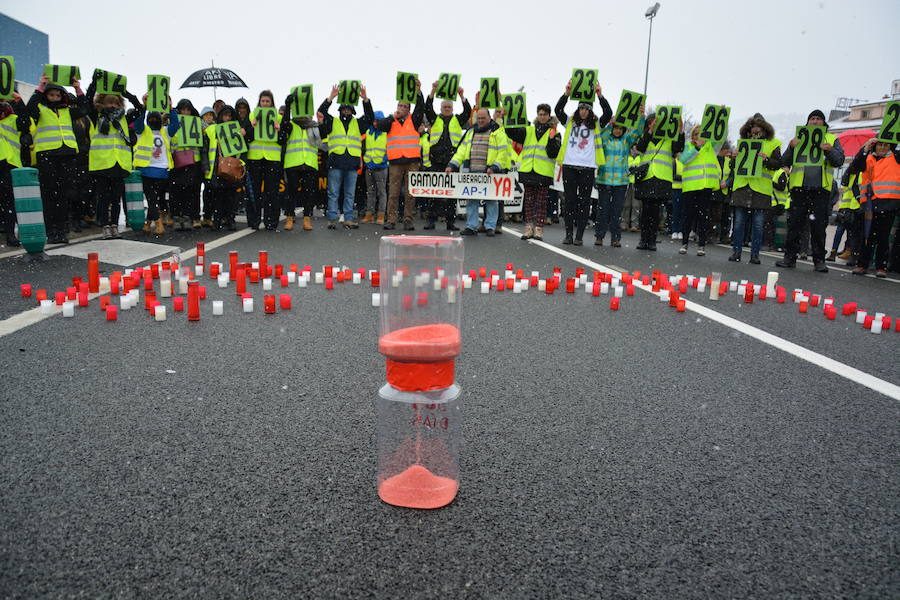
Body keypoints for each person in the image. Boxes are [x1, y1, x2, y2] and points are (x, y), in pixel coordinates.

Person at [776, 109, 845, 272]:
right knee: (794, 225)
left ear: (824, 123)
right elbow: (784, 162)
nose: (815, 122)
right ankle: (789, 257)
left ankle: (819, 260)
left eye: (818, 119)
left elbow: (839, 161)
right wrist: (791, 147)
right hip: (799, 188)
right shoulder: (798, 139)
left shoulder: (831, 139)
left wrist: (829, 150)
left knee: (818, 227)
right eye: (812, 119)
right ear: (807, 123)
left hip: (821, 190)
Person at [26, 73, 90, 244]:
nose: (55, 98)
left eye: (58, 95)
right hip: (47, 156)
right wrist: (40, 87)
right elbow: (30, 108)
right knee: (49, 195)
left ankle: (61, 230)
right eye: (51, 95)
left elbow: (85, 108)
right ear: (46, 96)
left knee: (63, 194)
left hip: (67, 155)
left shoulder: (67, 111)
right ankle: (51, 231)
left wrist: (77, 89)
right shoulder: (40, 109)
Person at [554, 80, 612, 245]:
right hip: (570, 166)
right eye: (581, 108)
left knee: (584, 202)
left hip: (587, 168)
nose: (583, 111)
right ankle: (568, 234)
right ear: (578, 109)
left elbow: (608, 112)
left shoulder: (597, 125)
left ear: (590, 110)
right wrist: (566, 93)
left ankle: (579, 236)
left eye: (586, 109)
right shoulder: (570, 122)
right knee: (569, 201)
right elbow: (558, 110)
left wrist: (600, 95)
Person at [85, 76, 140, 239]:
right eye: (109, 102)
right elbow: (88, 100)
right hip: (102, 163)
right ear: (102, 103)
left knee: (115, 198)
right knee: (103, 198)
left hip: (119, 163)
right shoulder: (97, 116)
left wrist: (128, 94)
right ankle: (104, 226)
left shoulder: (124, 118)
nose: (112, 105)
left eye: (116, 102)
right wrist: (94, 84)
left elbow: (140, 109)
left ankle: (114, 225)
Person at [724, 114, 782, 264]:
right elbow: (733, 167)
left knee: (757, 225)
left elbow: (777, 164)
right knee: (738, 223)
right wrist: (734, 157)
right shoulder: (742, 144)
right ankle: (736, 251)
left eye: (758, 128)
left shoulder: (773, 144)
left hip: (760, 189)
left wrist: (766, 160)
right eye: (752, 129)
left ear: (764, 129)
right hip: (742, 187)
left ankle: (754, 254)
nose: (755, 131)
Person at [318, 84, 374, 229]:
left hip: (352, 164)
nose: (346, 111)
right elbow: (321, 112)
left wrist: (365, 99)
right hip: (336, 162)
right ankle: (332, 219)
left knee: (349, 194)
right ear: (340, 110)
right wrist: (331, 97)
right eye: (344, 108)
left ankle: (348, 219)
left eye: (348, 109)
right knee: (333, 193)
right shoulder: (333, 121)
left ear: (352, 111)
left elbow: (370, 117)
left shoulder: (358, 123)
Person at [445, 108, 509, 236]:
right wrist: (452, 165)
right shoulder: (471, 132)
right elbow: (462, 151)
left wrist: (494, 167)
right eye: (478, 118)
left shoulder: (497, 132)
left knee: (491, 200)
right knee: (472, 200)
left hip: (489, 172)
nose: (480, 121)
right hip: (472, 172)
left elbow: (503, 152)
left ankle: (490, 226)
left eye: (482, 118)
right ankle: (471, 226)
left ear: (489, 117)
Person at [375, 81, 426, 230]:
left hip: (412, 161)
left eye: (405, 106)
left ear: (409, 110)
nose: (402, 108)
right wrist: (393, 116)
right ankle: (391, 219)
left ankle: (408, 219)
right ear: (397, 107)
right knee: (393, 192)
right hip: (396, 161)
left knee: (410, 193)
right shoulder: (391, 120)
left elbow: (420, 108)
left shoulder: (414, 120)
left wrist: (418, 91)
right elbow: (380, 126)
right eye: (400, 106)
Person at [506, 104, 561, 241]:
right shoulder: (529, 130)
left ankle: (539, 230)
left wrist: (552, 139)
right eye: (540, 114)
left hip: (543, 172)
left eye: (544, 115)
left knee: (541, 202)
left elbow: (553, 153)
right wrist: (507, 119)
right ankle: (529, 228)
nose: (542, 117)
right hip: (528, 170)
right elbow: (512, 133)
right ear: (537, 115)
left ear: (549, 116)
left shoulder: (555, 133)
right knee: (529, 201)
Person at [633, 112, 685, 250]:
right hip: (647, 177)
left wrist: (680, 131)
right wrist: (650, 131)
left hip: (661, 178)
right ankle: (643, 239)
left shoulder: (669, 139)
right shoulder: (645, 136)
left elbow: (678, 148)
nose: (654, 125)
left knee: (655, 211)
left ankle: (652, 240)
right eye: (651, 123)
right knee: (645, 210)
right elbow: (640, 148)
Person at [849, 138, 900, 277]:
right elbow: (855, 166)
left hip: (888, 203)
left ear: (891, 146)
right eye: (879, 145)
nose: (882, 148)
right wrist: (865, 148)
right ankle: (862, 265)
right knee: (867, 236)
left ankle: (881, 267)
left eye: (885, 145)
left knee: (883, 237)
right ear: (874, 146)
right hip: (870, 203)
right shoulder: (868, 157)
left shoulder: (896, 157)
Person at [424, 82, 470, 230]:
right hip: (436, 161)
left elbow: (468, 112)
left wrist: (461, 96)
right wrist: (433, 91)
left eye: (449, 107)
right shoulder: (434, 119)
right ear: (441, 108)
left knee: (452, 193)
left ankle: (450, 222)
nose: (447, 109)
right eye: (444, 107)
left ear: (452, 108)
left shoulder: (458, 119)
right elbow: (427, 108)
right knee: (434, 192)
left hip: (452, 161)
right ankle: (431, 220)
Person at [594, 110, 644, 247]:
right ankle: (599, 236)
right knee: (603, 210)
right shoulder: (605, 140)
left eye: (619, 128)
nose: (617, 131)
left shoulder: (626, 141)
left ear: (623, 130)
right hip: (604, 180)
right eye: (615, 128)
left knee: (616, 211)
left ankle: (615, 238)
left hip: (621, 182)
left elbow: (638, 132)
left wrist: (641, 116)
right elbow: (600, 136)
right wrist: (610, 124)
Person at [133, 95, 179, 233]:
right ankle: (149, 225)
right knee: (153, 199)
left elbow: (175, 124)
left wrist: (171, 108)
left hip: (160, 171)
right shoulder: (143, 131)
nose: (154, 120)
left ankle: (158, 225)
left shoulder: (165, 132)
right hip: (148, 170)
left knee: (153, 200)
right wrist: (145, 106)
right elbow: (139, 122)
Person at [278, 92, 322, 231]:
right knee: (291, 192)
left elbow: (322, 139)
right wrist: (288, 105)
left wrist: (322, 120)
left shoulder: (314, 126)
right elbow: (284, 125)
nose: (302, 115)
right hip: (293, 164)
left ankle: (307, 219)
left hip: (309, 164)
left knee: (308, 193)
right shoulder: (291, 125)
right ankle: (289, 218)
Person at [677, 127, 721, 256]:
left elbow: (721, 135)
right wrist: (697, 148)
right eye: (696, 134)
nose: (698, 137)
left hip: (705, 187)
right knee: (688, 216)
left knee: (703, 217)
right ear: (693, 136)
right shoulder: (688, 146)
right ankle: (684, 243)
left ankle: (701, 245)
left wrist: (719, 119)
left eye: (701, 135)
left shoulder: (710, 147)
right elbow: (684, 159)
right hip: (690, 187)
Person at [202, 105, 248, 230]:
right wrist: (205, 166)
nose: (227, 118)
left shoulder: (237, 130)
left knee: (231, 196)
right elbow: (205, 150)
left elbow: (243, 150)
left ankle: (230, 219)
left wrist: (241, 164)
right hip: (217, 168)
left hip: (232, 168)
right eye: (224, 115)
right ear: (220, 116)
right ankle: (217, 220)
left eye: (229, 116)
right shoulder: (212, 130)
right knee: (218, 197)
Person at [247, 90, 284, 231]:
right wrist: (252, 126)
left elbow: (282, 138)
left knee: (272, 191)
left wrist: (279, 129)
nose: (265, 103)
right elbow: (247, 136)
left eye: (267, 101)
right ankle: (254, 221)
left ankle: (271, 221)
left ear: (272, 103)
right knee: (254, 190)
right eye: (263, 101)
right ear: (259, 102)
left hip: (272, 158)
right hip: (255, 157)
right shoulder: (252, 115)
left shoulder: (278, 118)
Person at [168, 99, 205, 234]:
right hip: (176, 162)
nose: (185, 112)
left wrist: (203, 127)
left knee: (192, 192)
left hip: (193, 162)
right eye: (182, 109)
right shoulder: (173, 123)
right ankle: (178, 217)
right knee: (177, 192)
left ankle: (191, 217)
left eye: (188, 109)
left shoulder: (197, 122)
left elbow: (208, 128)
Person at [0, 92, 28, 247]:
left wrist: (19, 100)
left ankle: (10, 234)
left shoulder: (14, 119)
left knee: (8, 202)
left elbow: (25, 123)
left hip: (10, 163)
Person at [361, 110, 388, 224]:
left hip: (381, 167)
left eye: (378, 121)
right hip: (370, 166)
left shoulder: (386, 133)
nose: (376, 123)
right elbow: (363, 147)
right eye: (374, 120)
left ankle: (381, 215)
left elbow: (389, 150)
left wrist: (384, 160)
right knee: (370, 191)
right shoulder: (368, 132)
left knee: (381, 192)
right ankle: (369, 214)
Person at [621, 152, 641, 231]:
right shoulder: (626, 157)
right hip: (627, 182)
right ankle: (624, 223)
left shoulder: (640, 157)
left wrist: (636, 169)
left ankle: (634, 224)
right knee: (626, 205)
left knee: (636, 205)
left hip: (636, 183)